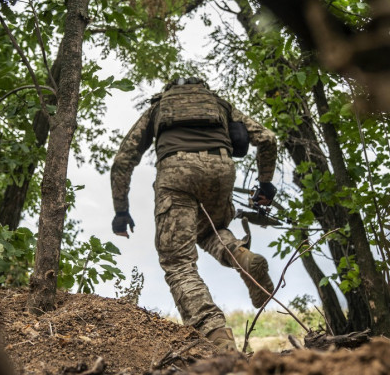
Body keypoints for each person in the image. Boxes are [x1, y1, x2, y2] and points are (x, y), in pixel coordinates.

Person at [110, 77, 278, 352]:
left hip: (176, 173)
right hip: (221, 169)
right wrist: (265, 182)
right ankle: (242, 255)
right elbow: (267, 138)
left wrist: (121, 209)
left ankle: (215, 335)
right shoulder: (220, 105)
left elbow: (123, 160)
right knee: (211, 230)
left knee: (177, 261)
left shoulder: (159, 107)